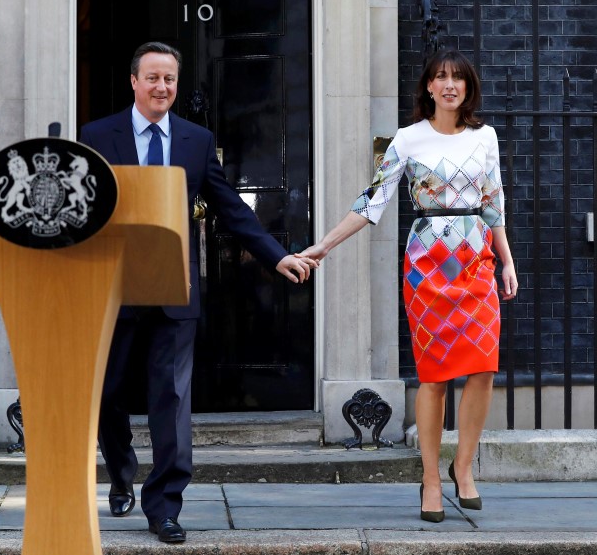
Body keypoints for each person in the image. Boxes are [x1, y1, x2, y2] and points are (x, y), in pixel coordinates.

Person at [79, 41, 317, 543]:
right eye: (152, 78)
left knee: (171, 397)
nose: (161, 87)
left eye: (169, 79)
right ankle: (121, 472)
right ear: (134, 82)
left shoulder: (194, 139)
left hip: (174, 288)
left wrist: (277, 256)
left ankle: (164, 506)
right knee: (106, 393)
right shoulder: (97, 135)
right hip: (114, 288)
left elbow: (229, 206)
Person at [299, 49, 517, 522]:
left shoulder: (486, 137)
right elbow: (372, 200)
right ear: (427, 87)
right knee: (434, 375)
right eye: (440, 77)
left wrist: (507, 261)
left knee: (482, 368)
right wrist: (324, 245)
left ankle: (463, 468)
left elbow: (493, 202)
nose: (449, 85)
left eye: (457, 78)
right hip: (427, 266)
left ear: (468, 87)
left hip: (476, 258)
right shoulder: (407, 139)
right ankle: (431, 480)